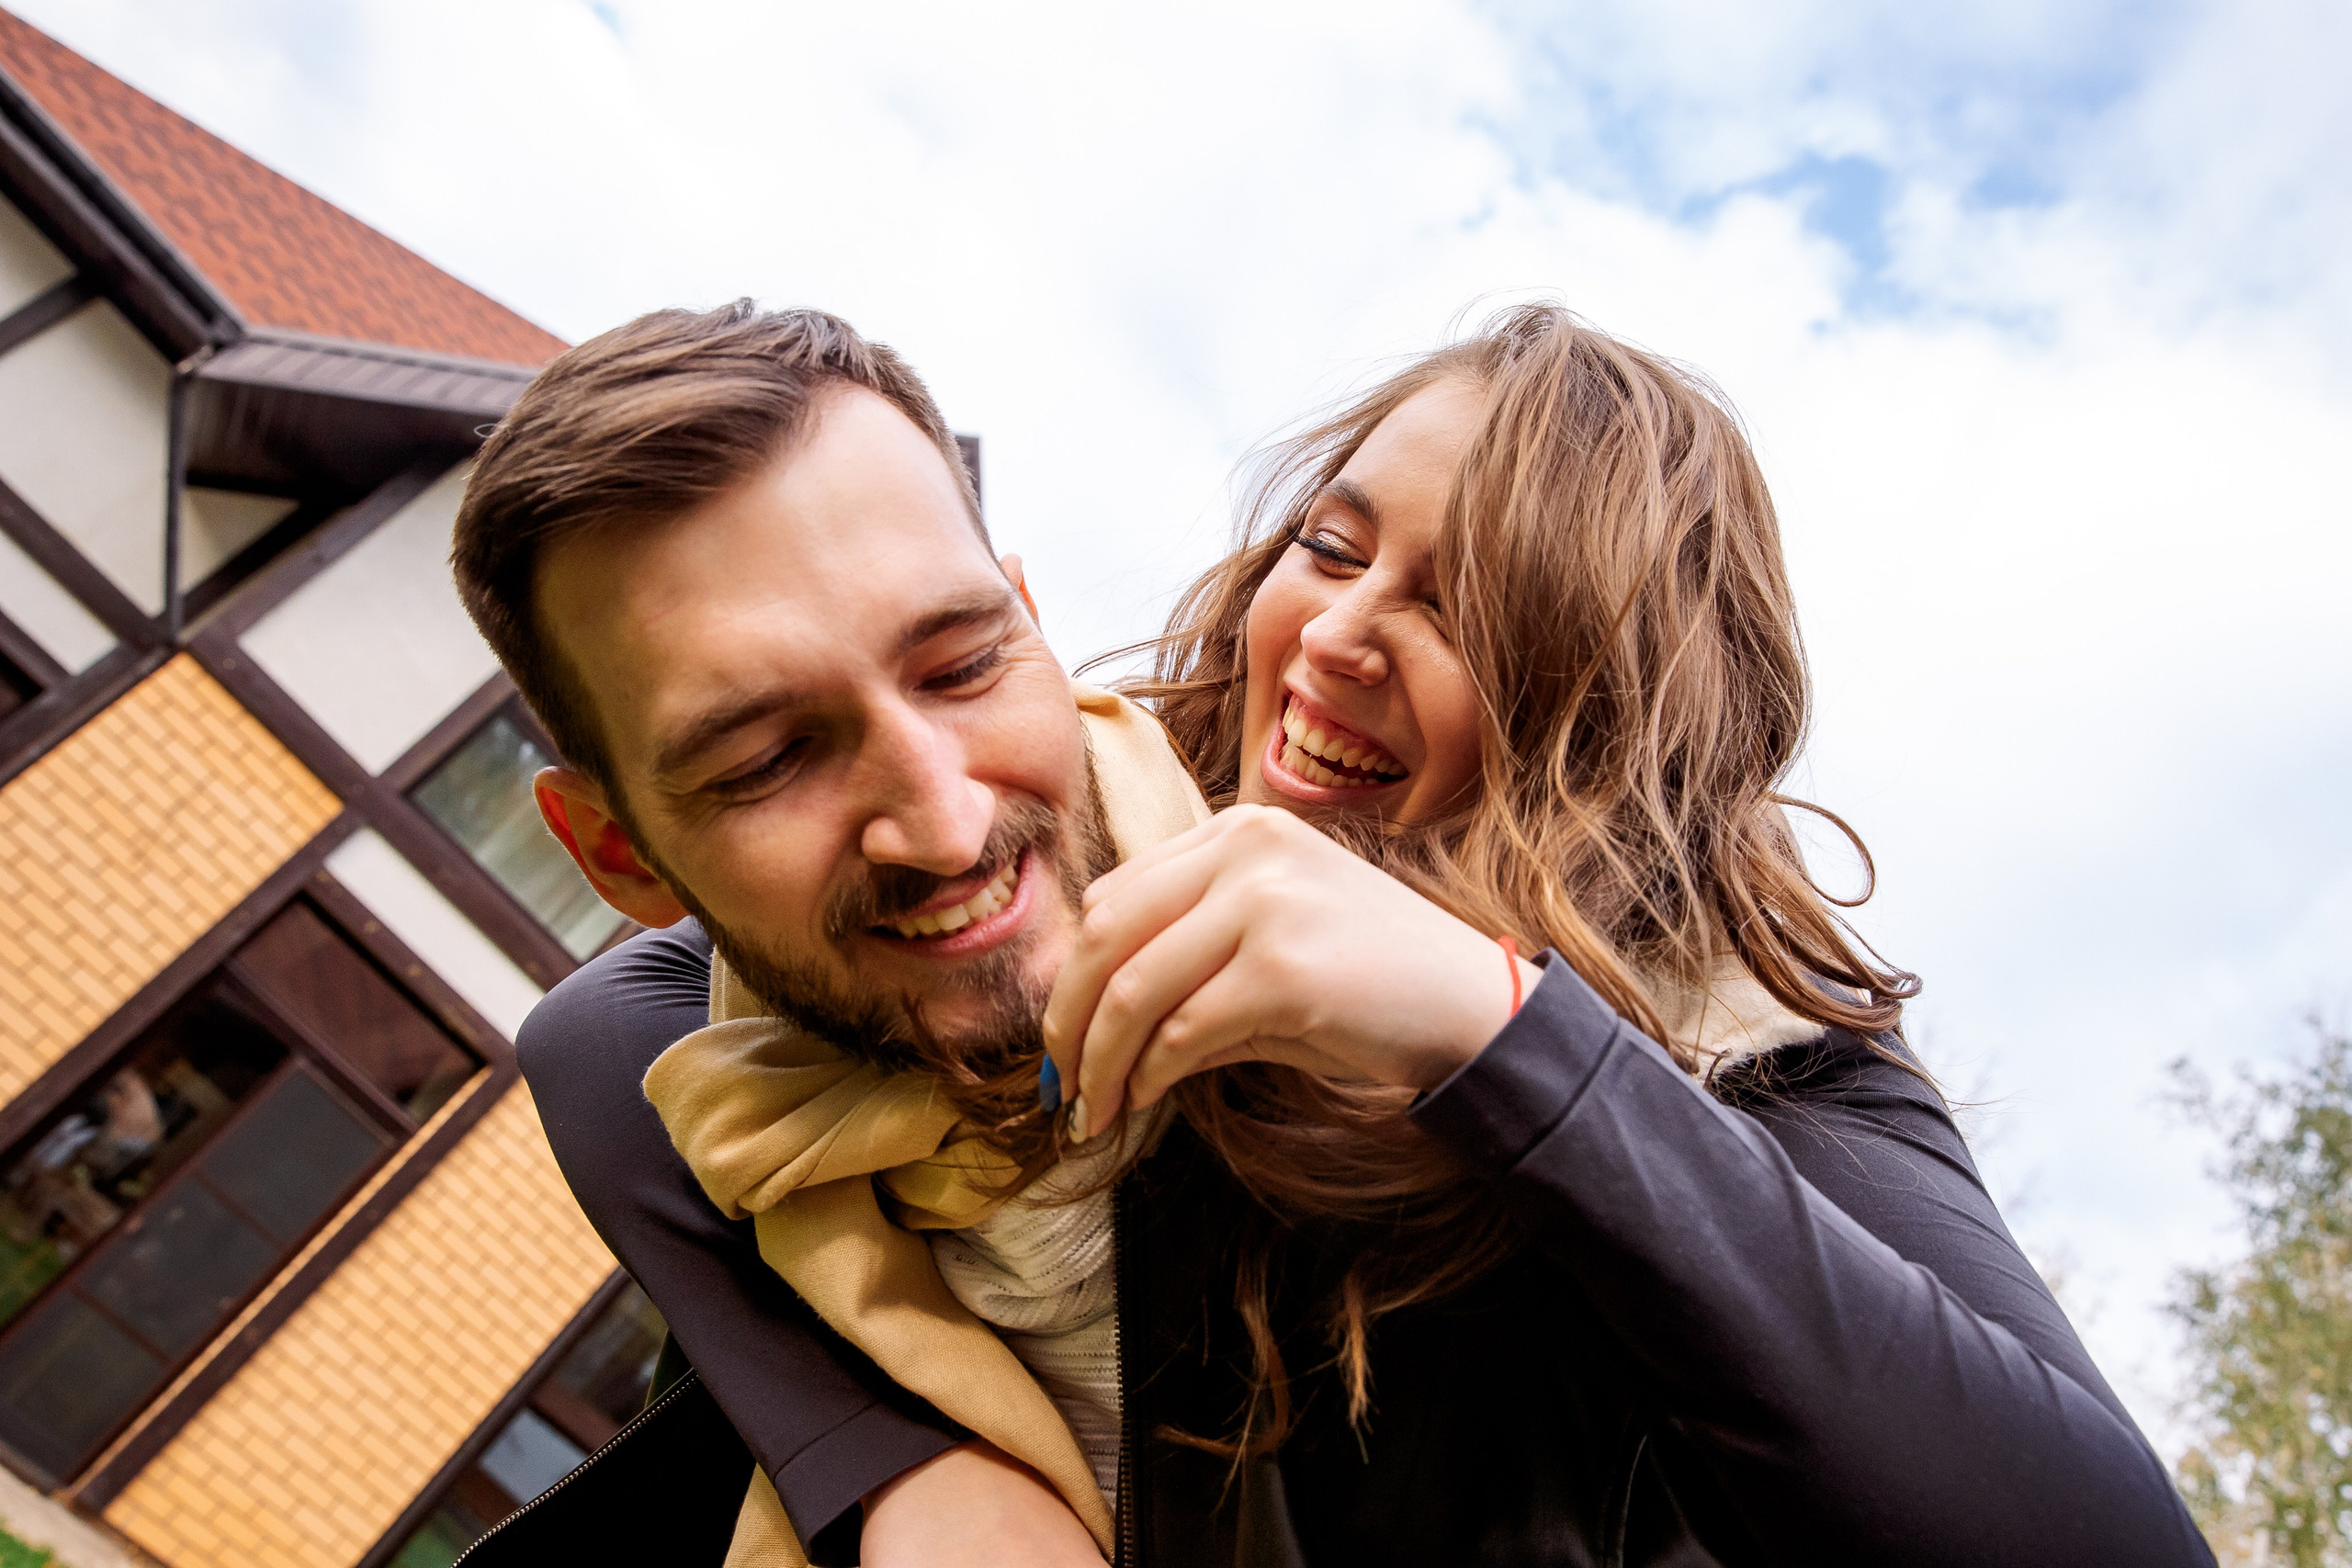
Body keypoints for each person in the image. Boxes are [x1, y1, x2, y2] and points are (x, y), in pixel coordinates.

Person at [451, 300, 2214, 1565]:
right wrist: (895, 1465)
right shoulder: (1123, 812)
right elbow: (612, 1026)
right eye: (1332, 542)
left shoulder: (1743, 1052)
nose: (1340, 634)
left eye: (1466, 610)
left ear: (1611, 715)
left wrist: (1497, 1032)